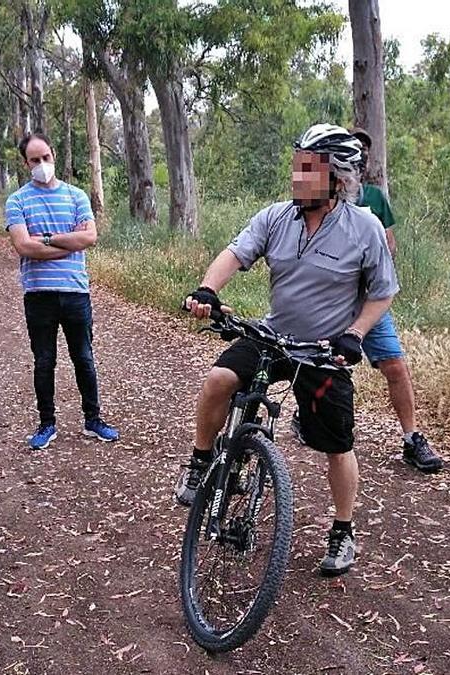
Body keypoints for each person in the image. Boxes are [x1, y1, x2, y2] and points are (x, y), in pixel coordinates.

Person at [178, 123, 399, 576]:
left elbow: (382, 293)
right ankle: (201, 461)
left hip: (324, 352)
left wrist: (355, 333)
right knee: (219, 379)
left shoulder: (365, 228)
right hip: (273, 337)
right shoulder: (275, 217)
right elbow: (235, 255)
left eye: (308, 171)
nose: (297, 178)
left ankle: (342, 530)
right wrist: (207, 289)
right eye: (296, 167)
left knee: (337, 445)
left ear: (337, 179)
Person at [4, 131, 120, 450]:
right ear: (25, 163)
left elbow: (89, 238)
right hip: (38, 294)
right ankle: (46, 423)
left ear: (54, 155)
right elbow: (23, 246)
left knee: (84, 357)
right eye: (34, 160)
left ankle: (93, 420)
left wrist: (44, 239)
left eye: (46, 157)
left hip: (75, 292)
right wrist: (65, 242)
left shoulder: (76, 196)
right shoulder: (17, 201)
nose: (42, 164)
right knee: (44, 361)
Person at [344, 127, 443, 473]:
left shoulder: (374, 197)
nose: (361, 156)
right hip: (330, 297)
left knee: (395, 366)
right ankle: (305, 413)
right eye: (355, 149)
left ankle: (411, 438)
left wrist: (376, 248)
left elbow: (390, 245)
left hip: (369, 299)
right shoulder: (321, 194)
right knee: (316, 361)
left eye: (365, 151)